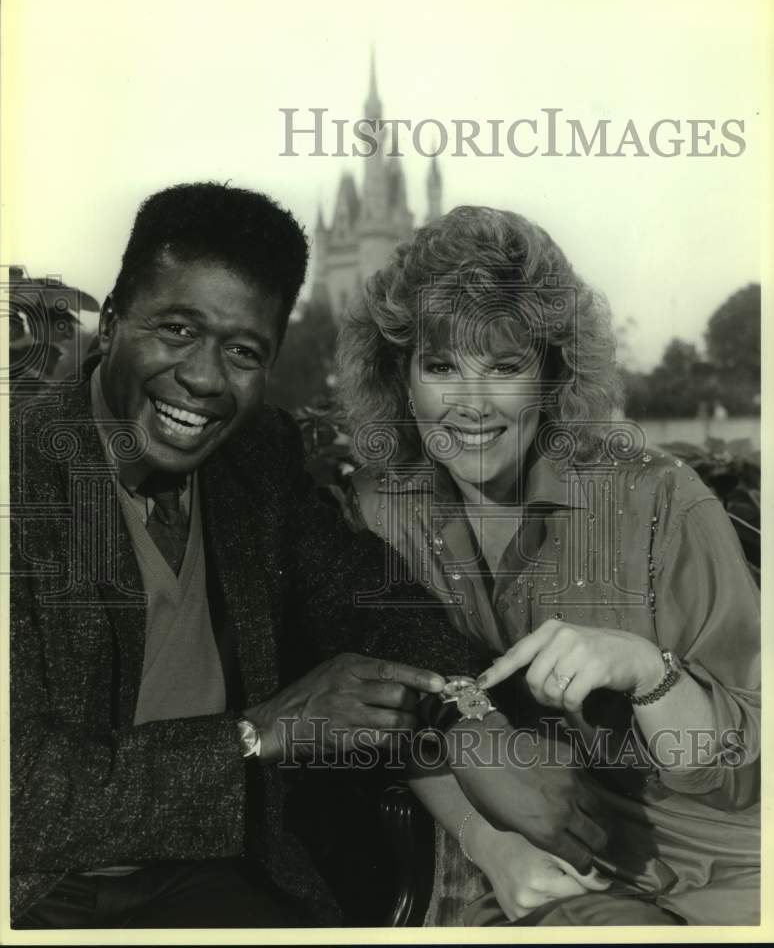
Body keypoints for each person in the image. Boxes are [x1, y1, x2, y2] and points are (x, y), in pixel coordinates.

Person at [10, 182, 486, 930]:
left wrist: (481, 724)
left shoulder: (254, 454)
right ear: (108, 324)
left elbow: (374, 605)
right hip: (37, 891)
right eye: (175, 329)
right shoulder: (20, 478)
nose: (202, 378)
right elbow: (23, 799)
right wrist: (258, 731)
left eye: (241, 351)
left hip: (212, 867)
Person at [336, 205, 760, 926]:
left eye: (504, 367)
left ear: (554, 375)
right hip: (536, 880)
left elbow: (748, 765)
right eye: (441, 366)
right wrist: (488, 843)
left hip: (727, 873)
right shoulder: (376, 513)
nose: (471, 404)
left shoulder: (658, 499)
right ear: (400, 379)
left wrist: (644, 670)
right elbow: (387, 718)